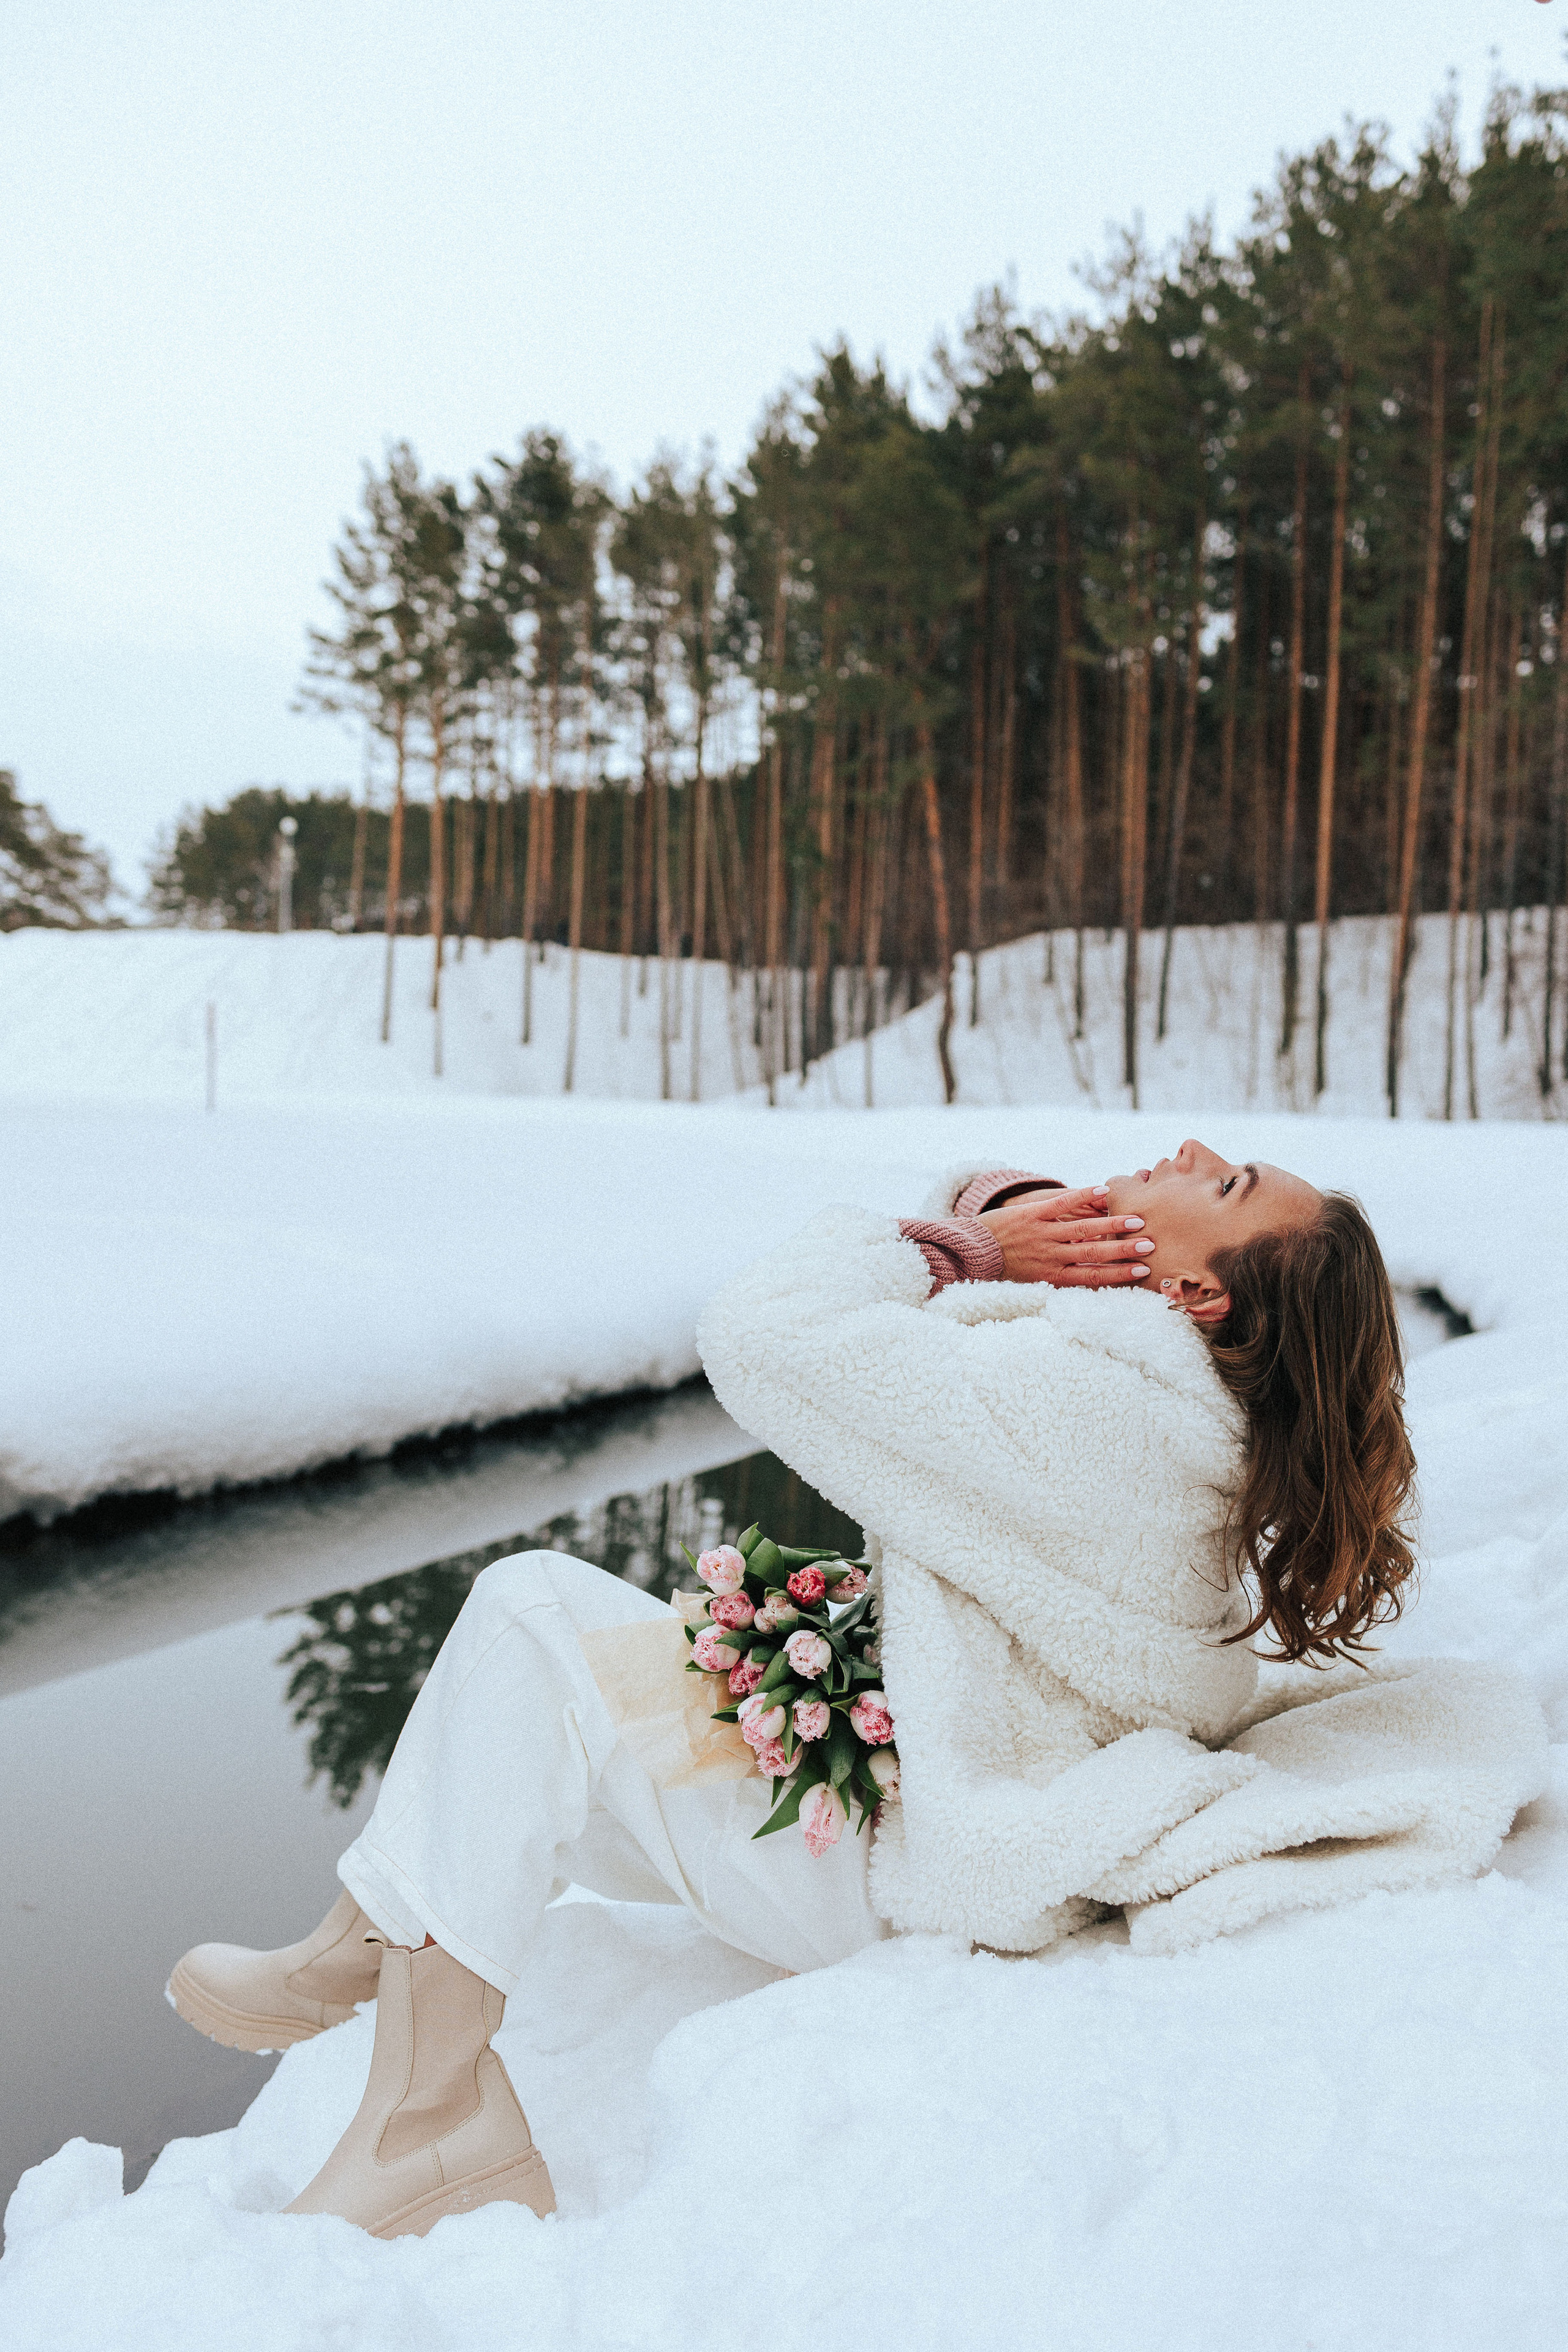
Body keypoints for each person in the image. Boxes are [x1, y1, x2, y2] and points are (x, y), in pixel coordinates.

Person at [167, 1140, 1542, 2237]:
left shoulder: (1096, 1408)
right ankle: (369, 1942)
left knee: (536, 1613)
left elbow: (760, 1330)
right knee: (542, 1646)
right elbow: (973, 1187)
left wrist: (979, 1246)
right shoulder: (1173, 1401)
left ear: (1191, 1298)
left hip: (897, 1854)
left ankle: (430, 2125)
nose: (1187, 1147)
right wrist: (1002, 1221)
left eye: (1225, 1183)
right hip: (907, 1769)